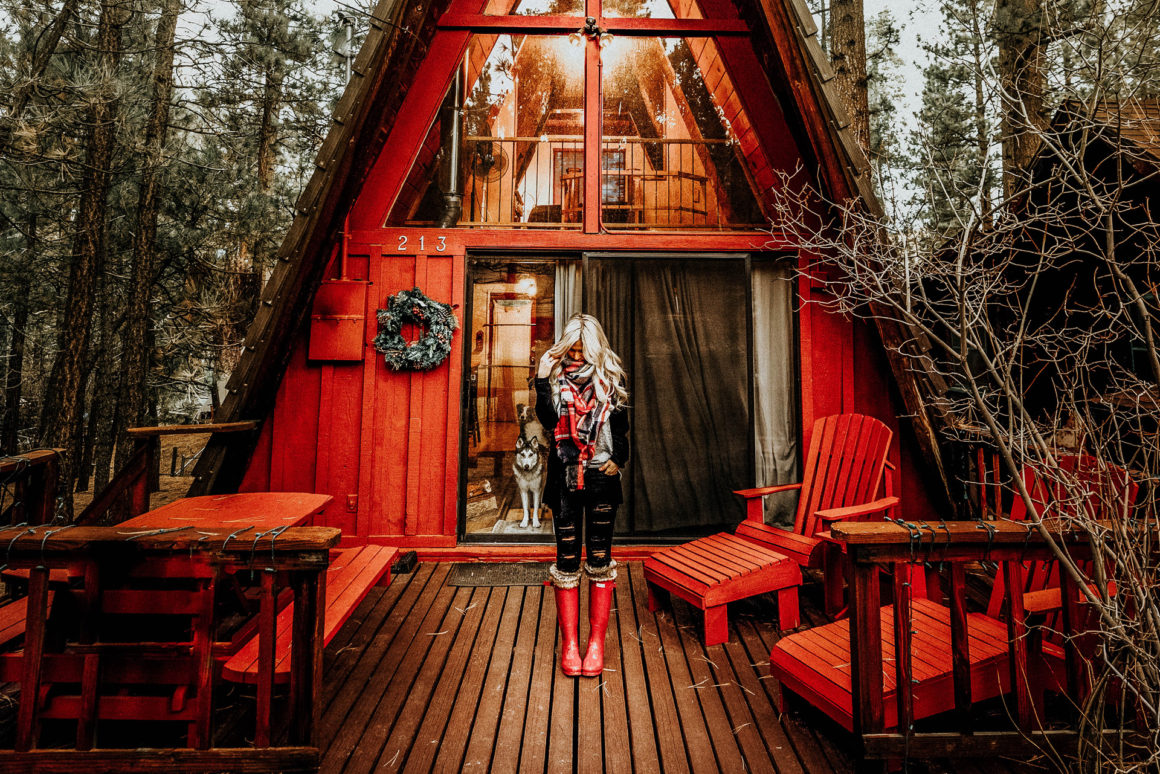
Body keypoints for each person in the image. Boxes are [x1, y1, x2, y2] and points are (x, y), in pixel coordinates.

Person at [534, 314, 629, 677]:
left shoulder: (610, 379)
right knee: (568, 559)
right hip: (565, 477)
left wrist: (618, 459)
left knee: (601, 556)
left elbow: (621, 428)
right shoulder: (555, 380)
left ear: (594, 349)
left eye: (581, 350)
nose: (575, 356)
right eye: (571, 350)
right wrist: (542, 378)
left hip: (601, 476)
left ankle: (595, 644)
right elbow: (546, 419)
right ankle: (570, 645)